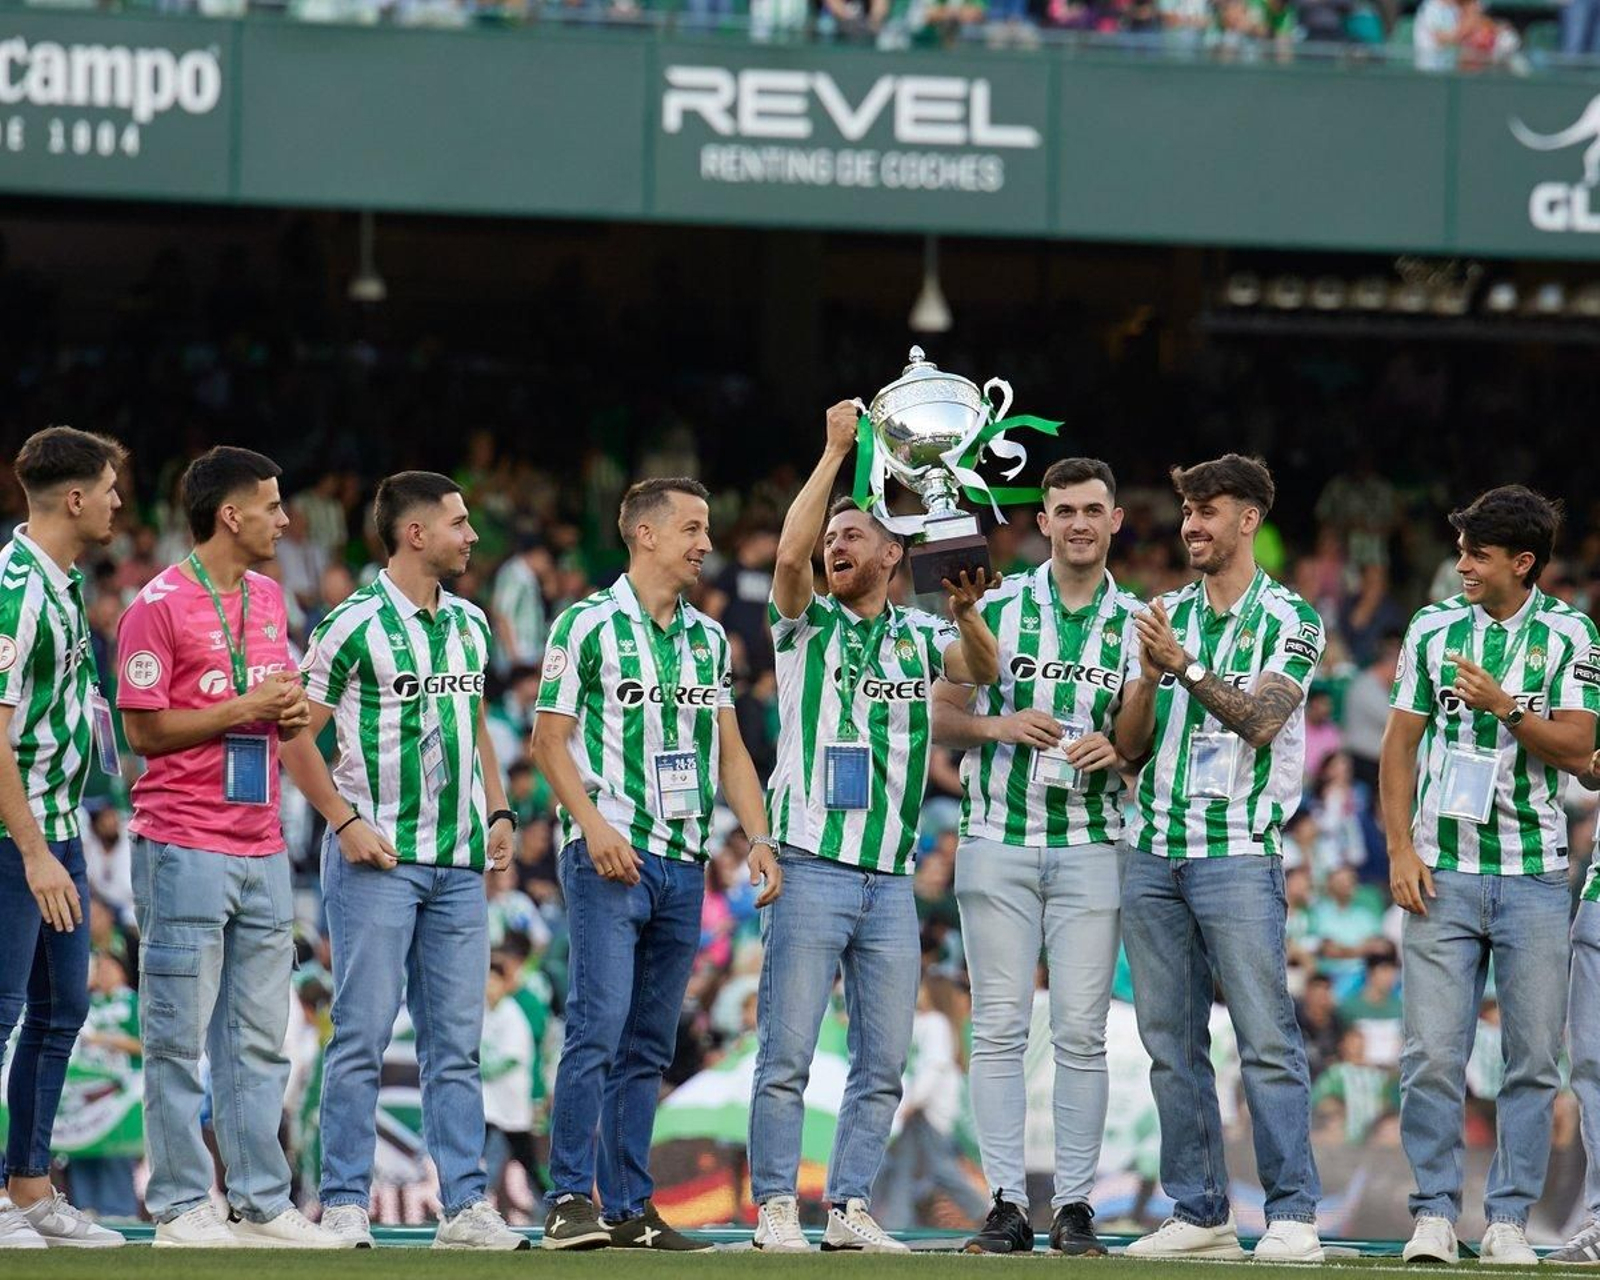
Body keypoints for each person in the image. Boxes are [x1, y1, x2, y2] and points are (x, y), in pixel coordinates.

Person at [748, 401, 998, 1255]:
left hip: (890, 878)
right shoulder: (802, 624)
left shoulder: (922, 639)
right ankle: (776, 1206)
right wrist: (833, 454)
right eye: (832, 539)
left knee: (883, 1063)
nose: (835, 545)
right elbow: (787, 553)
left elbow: (988, 670)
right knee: (786, 1052)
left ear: (895, 554)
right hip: (812, 863)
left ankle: (849, 1207)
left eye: (854, 535)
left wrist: (967, 609)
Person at [532, 476, 781, 1252]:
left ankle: (630, 1207)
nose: (705, 543)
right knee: (598, 1025)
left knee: (647, 1043)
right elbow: (548, 739)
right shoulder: (586, 625)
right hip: (611, 854)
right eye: (693, 528)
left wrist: (760, 836)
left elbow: (730, 752)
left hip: (683, 862)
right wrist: (592, 826)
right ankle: (569, 1197)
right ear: (645, 535)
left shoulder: (708, 639)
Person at [281, 471, 526, 1250]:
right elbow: (294, 735)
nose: (472, 536)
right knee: (360, 1032)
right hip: (376, 860)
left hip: (458, 864)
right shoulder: (350, 624)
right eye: (459, 523)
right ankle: (346, 1201)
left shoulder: (472, 625)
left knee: (456, 1044)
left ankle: (464, 1206)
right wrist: (343, 821)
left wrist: (497, 806)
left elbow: (474, 722)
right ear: (415, 533)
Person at [116, 446, 339, 1249]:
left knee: (256, 1037)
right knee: (178, 1034)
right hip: (182, 844)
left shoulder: (271, 597)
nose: (287, 520)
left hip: (262, 841)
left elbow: (270, 705)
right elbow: (142, 730)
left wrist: (285, 714)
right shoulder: (157, 605)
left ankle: (261, 1200)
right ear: (231, 514)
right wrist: (244, 704)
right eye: (273, 506)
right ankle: (179, 1202)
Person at [1114, 454, 1326, 1263]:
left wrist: (1184, 667)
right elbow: (1132, 744)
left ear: (1249, 521)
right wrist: (1144, 679)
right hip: (1152, 849)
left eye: (1207, 511)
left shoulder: (1292, 619)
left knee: (1266, 1038)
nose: (1191, 525)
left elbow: (1264, 721)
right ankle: (1200, 1211)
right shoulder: (1165, 615)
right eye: (1186, 510)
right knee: (1171, 1043)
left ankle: (1294, 1214)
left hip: (1238, 852)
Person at [930, 457, 1142, 1257]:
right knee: (999, 1031)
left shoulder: (1141, 621)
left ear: (1116, 521)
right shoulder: (997, 605)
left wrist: (1115, 750)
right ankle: (1007, 1204)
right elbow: (942, 716)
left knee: (1083, 1033)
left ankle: (1077, 1207)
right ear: (1042, 522)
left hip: (1094, 845)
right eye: (1065, 510)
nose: (1080, 522)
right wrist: (1000, 726)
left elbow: (1145, 746)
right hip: (998, 840)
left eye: (1095, 508)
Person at [1381, 485, 1597, 1266]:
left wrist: (1507, 707)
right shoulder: (1433, 629)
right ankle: (1434, 1214)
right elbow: (1400, 745)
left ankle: (1507, 1219)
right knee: (1432, 1055)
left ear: (1522, 562)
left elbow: (1579, 751)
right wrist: (1400, 850)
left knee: (1533, 1059)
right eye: (1462, 550)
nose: (1462, 564)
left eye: (1477, 553)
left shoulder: (1572, 633)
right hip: (1442, 872)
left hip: (1536, 876)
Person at [0, 426, 127, 1249]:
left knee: (62, 1008)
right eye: (112, 487)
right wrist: (35, 850)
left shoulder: (63, 581)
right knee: (3, 1010)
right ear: (74, 497)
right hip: (16, 837)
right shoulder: (13, 591)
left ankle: (31, 1186)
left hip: (59, 825)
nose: (120, 501)